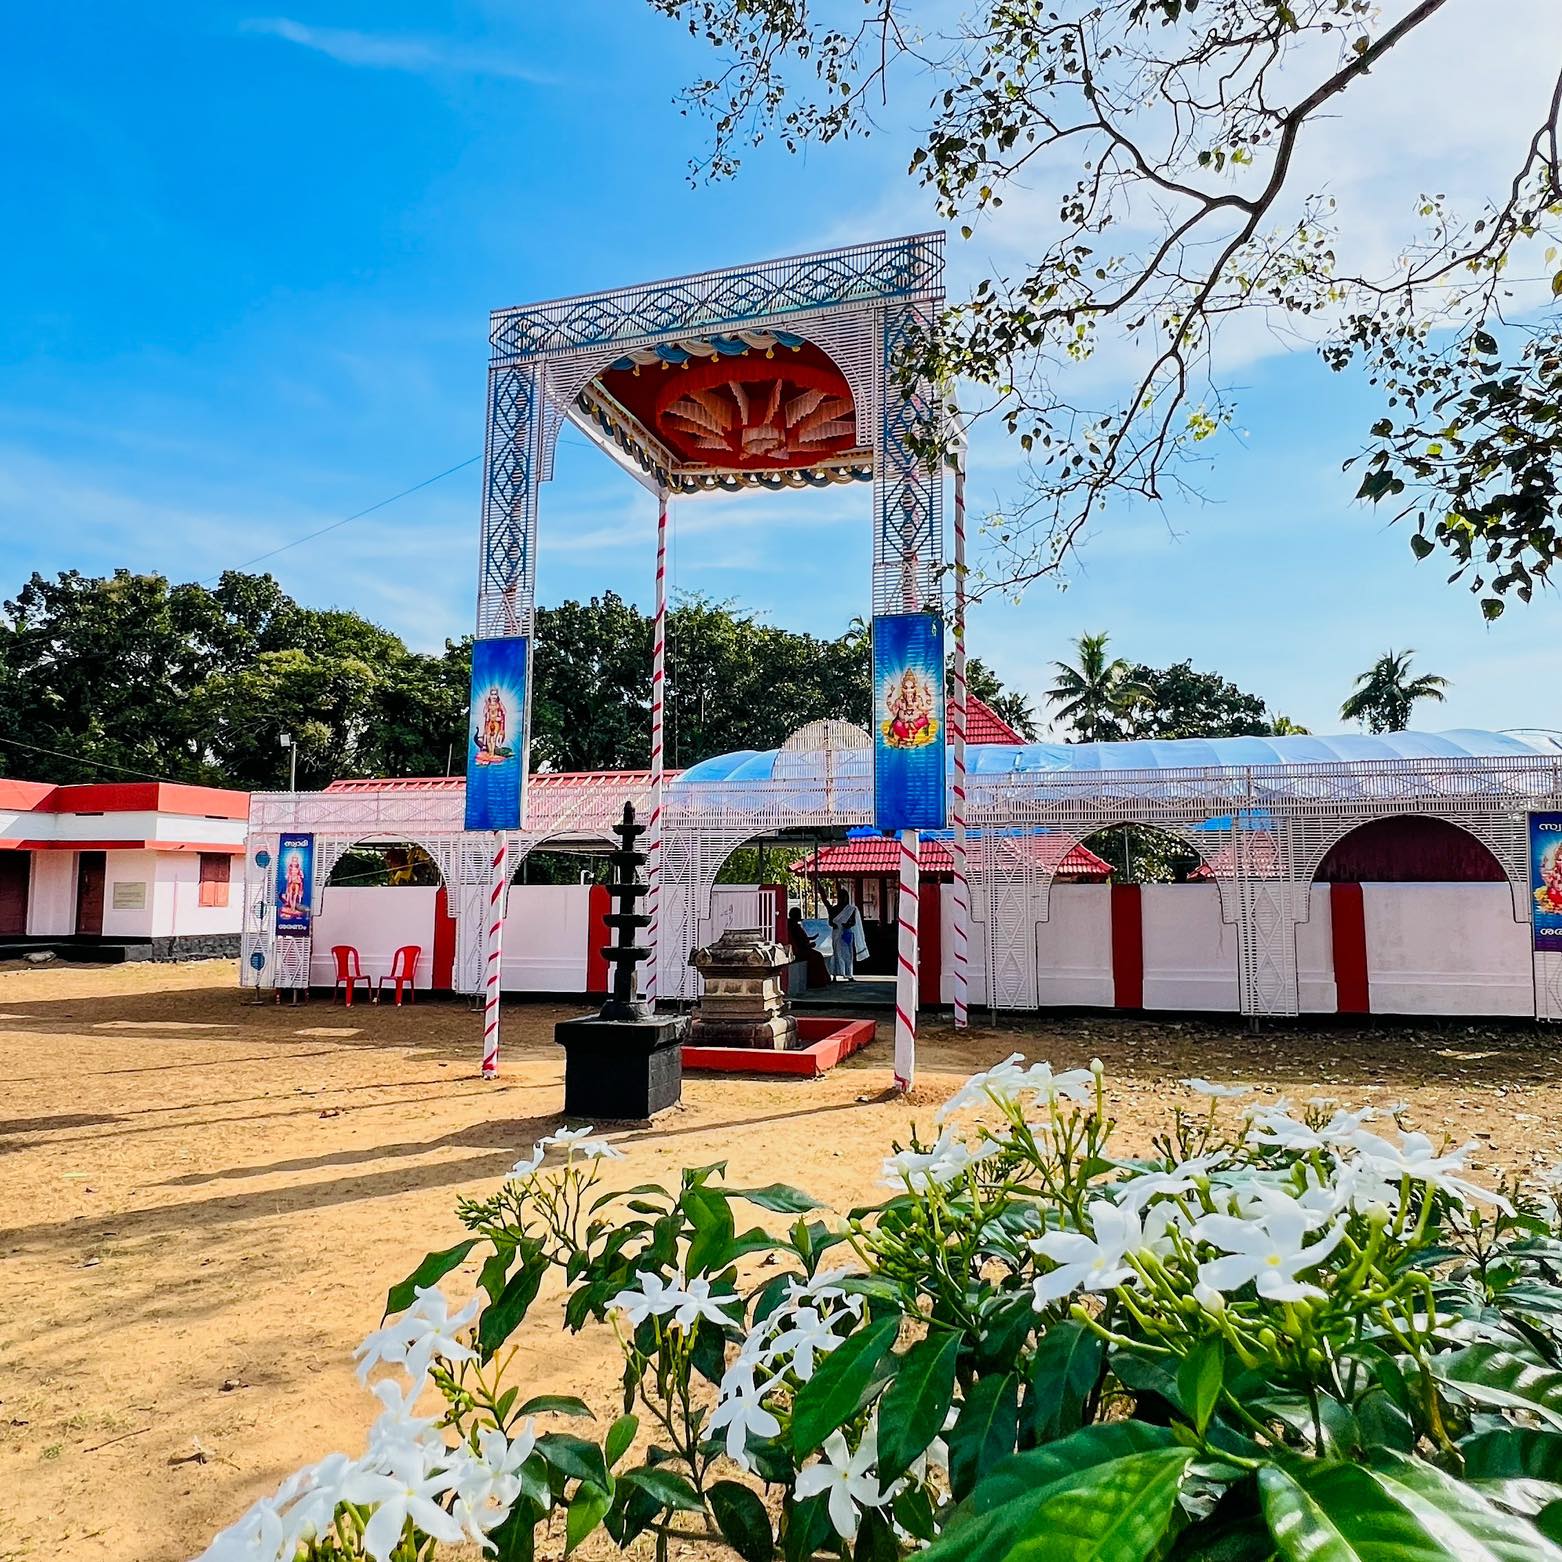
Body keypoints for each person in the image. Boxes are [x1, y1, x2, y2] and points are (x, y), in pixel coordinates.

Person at [788, 906, 830, 989]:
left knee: (818, 955)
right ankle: (817, 982)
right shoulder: (793, 926)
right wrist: (809, 945)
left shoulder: (794, 925)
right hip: (799, 951)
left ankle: (823, 980)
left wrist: (810, 939)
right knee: (817, 956)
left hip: (803, 948)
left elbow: (802, 939)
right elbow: (798, 942)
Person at [829, 891, 862, 980]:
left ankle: (849, 974)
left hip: (847, 933)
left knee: (848, 954)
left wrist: (847, 925)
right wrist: (836, 925)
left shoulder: (851, 909)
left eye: (844, 897)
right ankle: (836, 974)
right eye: (841, 897)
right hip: (837, 933)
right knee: (837, 953)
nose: (843, 899)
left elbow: (853, 922)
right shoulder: (834, 909)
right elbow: (830, 922)